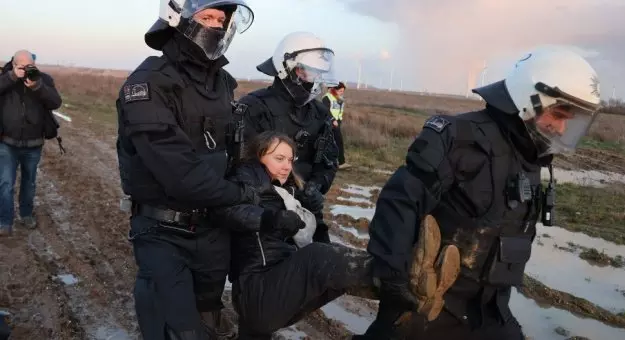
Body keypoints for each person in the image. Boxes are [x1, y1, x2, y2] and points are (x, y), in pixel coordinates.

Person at [356, 46, 602, 339]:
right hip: (428, 307)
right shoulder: (458, 138)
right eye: (558, 115)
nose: (561, 128)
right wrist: (394, 277)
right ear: (530, 100)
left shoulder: (531, 157)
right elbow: (400, 202)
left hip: (491, 312)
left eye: (568, 120)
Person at [114, 1, 266, 338]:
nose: (216, 27)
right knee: (176, 330)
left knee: (210, 321)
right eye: (206, 17)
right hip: (163, 231)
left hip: (214, 232)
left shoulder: (223, 84)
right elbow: (180, 173)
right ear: (177, 20)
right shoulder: (149, 82)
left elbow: (242, 153)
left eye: (222, 20)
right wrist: (242, 194)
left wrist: (255, 176)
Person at [217, 130, 456, 339]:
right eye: (279, 158)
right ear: (258, 156)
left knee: (335, 275)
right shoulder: (245, 180)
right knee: (318, 258)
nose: (287, 166)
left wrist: (316, 215)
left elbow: (317, 241)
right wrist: (271, 219)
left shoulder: (286, 195)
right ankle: (410, 273)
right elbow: (231, 212)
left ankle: (415, 293)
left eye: (290, 159)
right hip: (257, 293)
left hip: (272, 298)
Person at [233, 31, 339, 244]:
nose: (315, 80)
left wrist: (315, 188)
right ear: (289, 69)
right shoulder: (253, 107)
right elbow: (239, 166)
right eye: (309, 72)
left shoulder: (320, 114)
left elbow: (329, 162)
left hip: (306, 214)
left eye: (320, 74)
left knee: (322, 267)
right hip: (264, 215)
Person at [0, 50, 62, 236]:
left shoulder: (43, 79)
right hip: (7, 142)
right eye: (22, 66)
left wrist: (37, 86)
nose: (27, 70)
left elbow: (55, 102)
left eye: (30, 66)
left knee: (29, 182)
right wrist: (12, 77)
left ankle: (26, 214)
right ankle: (4, 221)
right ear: (14, 64)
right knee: (5, 183)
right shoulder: (5, 78)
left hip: (34, 143)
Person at [322, 82, 350, 169]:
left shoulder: (339, 98)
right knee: (337, 142)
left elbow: (339, 110)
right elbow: (326, 110)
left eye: (343, 91)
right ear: (335, 89)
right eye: (340, 91)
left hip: (337, 122)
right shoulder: (327, 97)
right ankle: (341, 162)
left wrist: (338, 120)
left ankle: (336, 161)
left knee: (334, 143)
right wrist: (332, 119)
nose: (342, 93)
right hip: (330, 122)